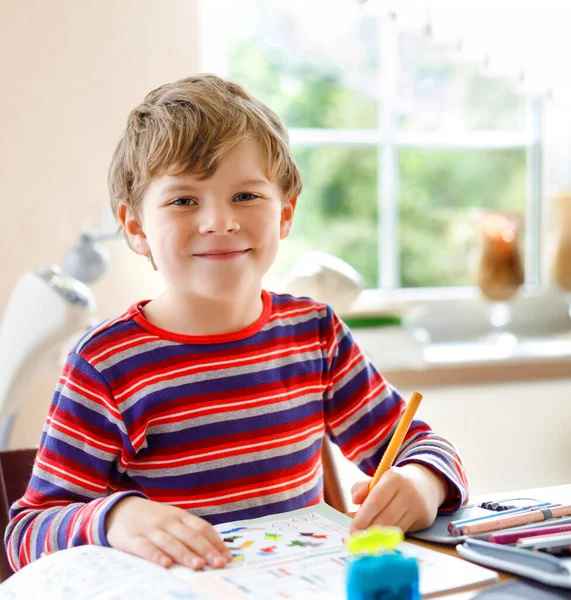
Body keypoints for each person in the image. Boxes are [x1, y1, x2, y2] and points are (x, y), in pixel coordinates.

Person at [5, 74, 468, 573]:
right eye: (184, 200)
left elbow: (424, 444)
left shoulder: (315, 333)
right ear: (137, 227)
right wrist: (115, 518)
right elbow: (27, 533)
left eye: (246, 196)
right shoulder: (106, 364)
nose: (219, 222)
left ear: (285, 213)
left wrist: (424, 481)